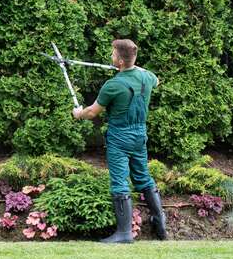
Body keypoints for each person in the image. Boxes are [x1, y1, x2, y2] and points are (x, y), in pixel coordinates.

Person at [71, 38, 167, 243]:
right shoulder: (147, 78)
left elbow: (92, 112)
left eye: (113, 54)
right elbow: (156, 79)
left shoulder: (113, 85)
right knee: (143, 177)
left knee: (120, 181)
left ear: (120, 61)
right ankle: (160, 222)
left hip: (120, 136)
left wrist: (78, 113)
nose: (111, 57)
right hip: (140, 135)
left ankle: (124, 234)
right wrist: (133, 66)